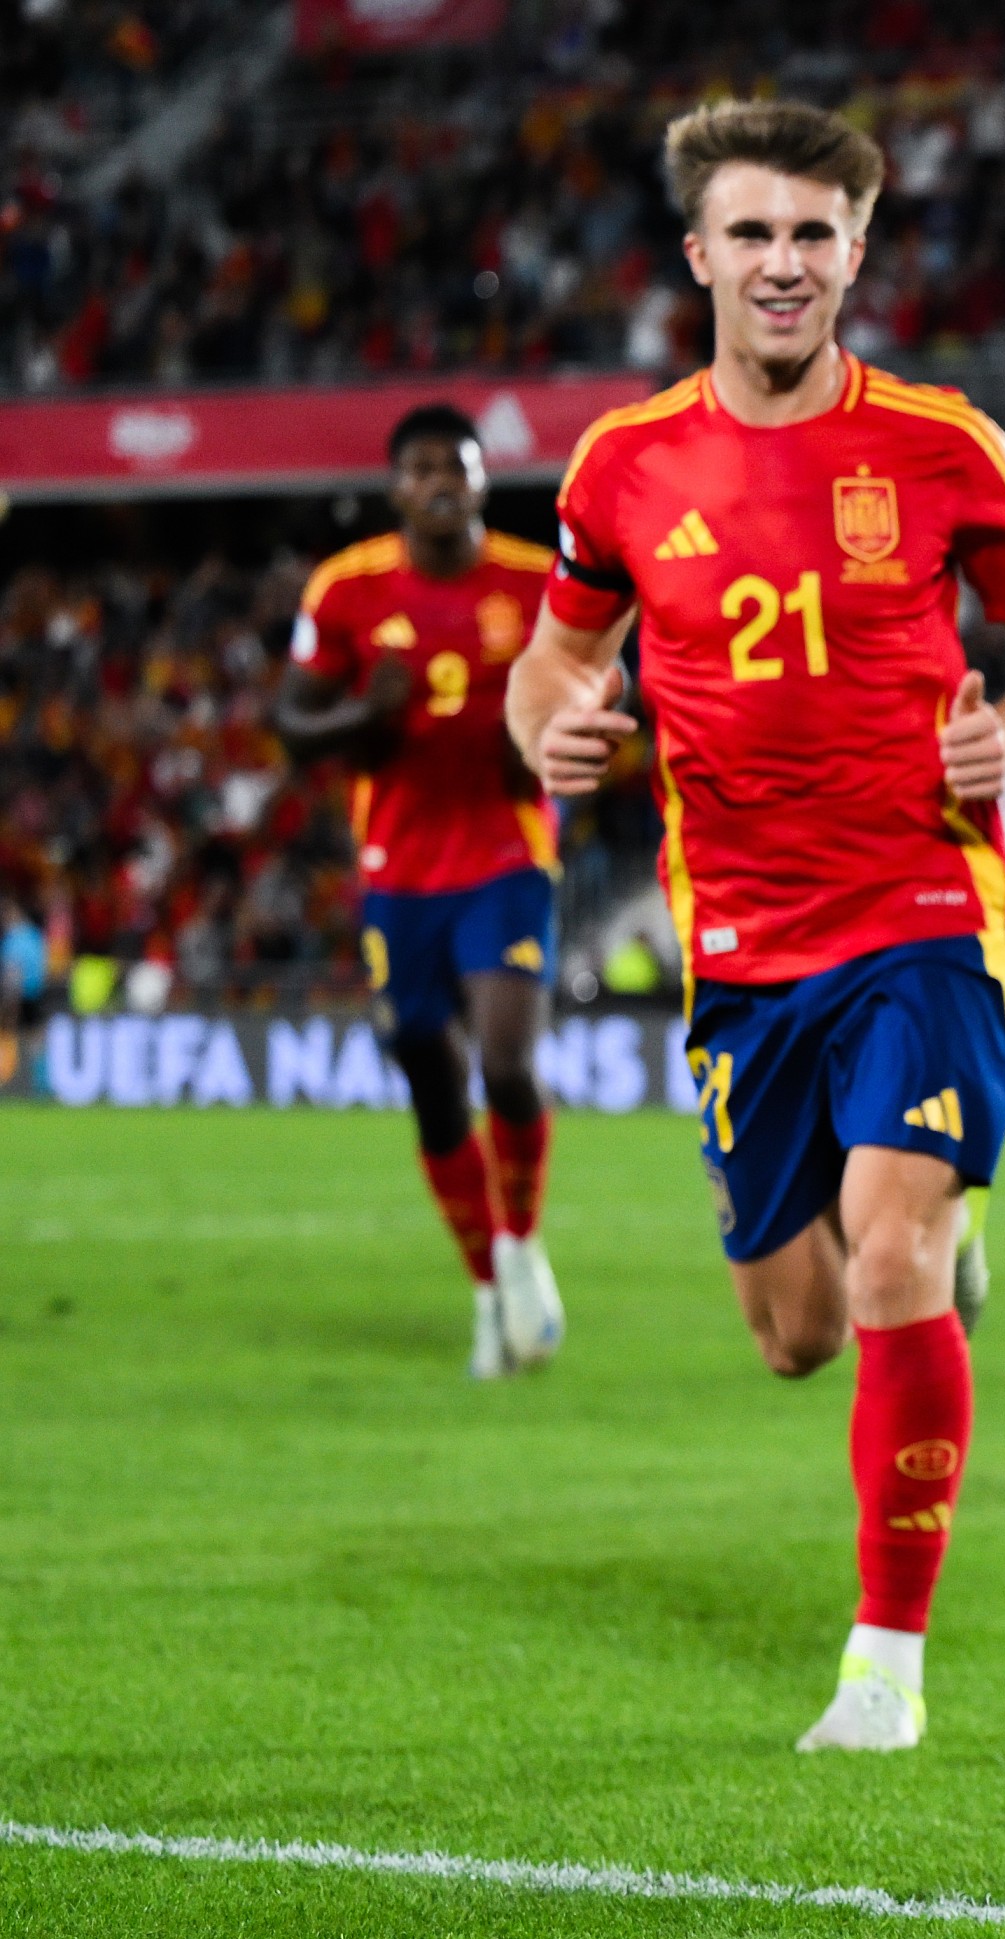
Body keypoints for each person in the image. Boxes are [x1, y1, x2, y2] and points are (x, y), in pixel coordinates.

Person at [507, 99, 1005, 1753]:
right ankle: (933, 1241)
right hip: (742, 948)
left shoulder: (940, 445)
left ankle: (882, 1670)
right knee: (796, 1333)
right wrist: (542, 726)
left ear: (855, 252)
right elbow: (555, 658)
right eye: (753, 233)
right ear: (699, 253)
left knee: (897, 1248)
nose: (784, 263)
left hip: (922, 904)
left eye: (814, 235)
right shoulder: (622, 467)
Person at [276, 404, 565, 1382]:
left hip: (507, 854)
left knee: (505, 1060)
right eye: (423, 468)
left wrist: (547, 739)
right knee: (430, 1079)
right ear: (399, 487)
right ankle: (487, 1287)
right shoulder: (347, 589)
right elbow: (290, 725)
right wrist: (368, 712)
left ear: (484, 481)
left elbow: (603, 695)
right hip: (397, 873)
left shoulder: (537, 583)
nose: (442, 481)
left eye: (460, 465)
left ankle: (522, 1248)